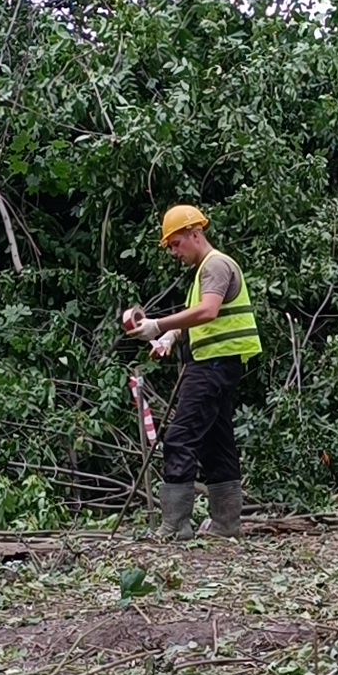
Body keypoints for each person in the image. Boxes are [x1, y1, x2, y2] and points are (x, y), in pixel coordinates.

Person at [123, 204, 261, 538]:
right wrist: (170, 337)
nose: (173, 252)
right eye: (170, 246)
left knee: (180, 437)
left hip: (212, 366)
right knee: (217, 441)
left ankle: (174, 525)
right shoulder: (206, 272)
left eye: (176, 243)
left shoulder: (215, 266)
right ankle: (226, 523)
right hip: (221, 364)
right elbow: (195, 317)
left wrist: (157, 324)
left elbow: (208, 312)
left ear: (195, 234)